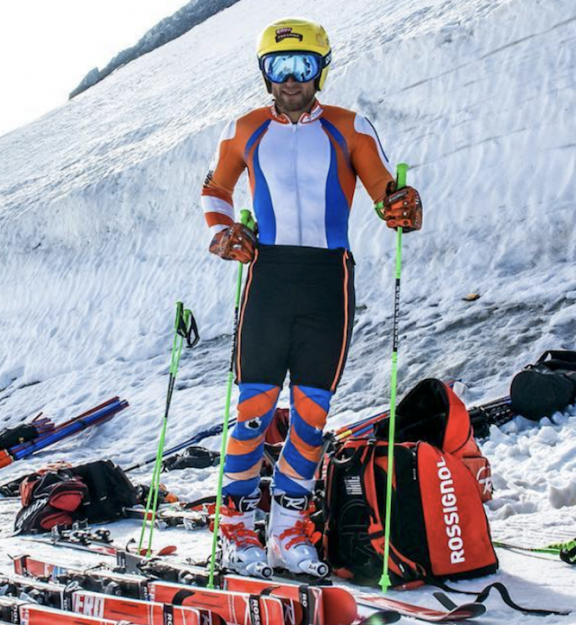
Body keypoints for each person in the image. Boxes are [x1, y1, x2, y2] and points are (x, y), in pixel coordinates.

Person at [201, 18, 423, 576]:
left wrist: (402, 208)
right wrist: (222, 232)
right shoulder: (245, 128)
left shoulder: (349, 127)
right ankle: (235, 530)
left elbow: (384, 195)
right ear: (264, 73)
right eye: (279, 67)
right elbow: (215, 189)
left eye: (303, 66)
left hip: (328, 279)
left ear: (321, 70)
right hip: (268, 275)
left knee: (310, 414)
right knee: (252, 411)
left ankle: (286, 531)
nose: (291, 79)